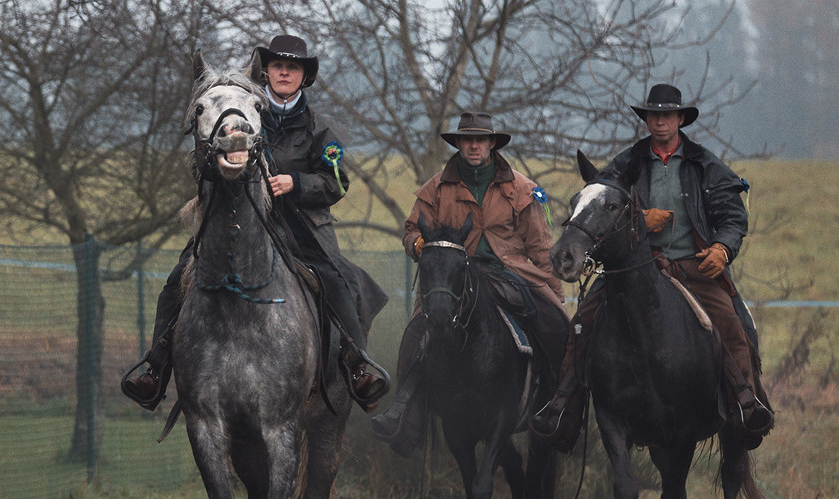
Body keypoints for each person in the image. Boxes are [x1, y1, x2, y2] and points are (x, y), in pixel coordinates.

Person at [122, 35, 389, 412]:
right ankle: (157, 365)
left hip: (300, 224)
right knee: (178, 276)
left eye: (292, 67)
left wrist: (296, 183)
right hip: (239, 219)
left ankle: (357, 362)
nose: (283, 72)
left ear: (303, 77)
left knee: (336, 277)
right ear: (265, 72)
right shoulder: (242, 110)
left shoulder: (321, 130)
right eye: (277, 65)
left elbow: (338, 182)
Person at [530, 84, 774, 449]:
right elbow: (601, 204)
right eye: (653, 115)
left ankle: (746, 403)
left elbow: (732, 215)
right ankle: (564, 407)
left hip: (695, 267)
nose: (660, 121)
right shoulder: (626, 164)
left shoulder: (705, 164)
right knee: (582, 322)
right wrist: (641, 218)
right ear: (646, 120)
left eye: (667, 115)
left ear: (679, 119)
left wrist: (723, 248)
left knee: (731, 322)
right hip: (635, 267)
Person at [371, 111, 571, 456]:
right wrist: (420, 246)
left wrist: (556, 296)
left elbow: (541, 246)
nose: (474, 145)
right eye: (468, 139)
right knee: (416, 333)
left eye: (481, 139)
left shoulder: (523, 190)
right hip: (453, 278)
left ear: (492, 144)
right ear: (459, 144)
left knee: (559, 329)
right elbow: (411, 229)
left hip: (513, 274)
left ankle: (560, 411)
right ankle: (405, 417)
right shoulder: (435, 188)